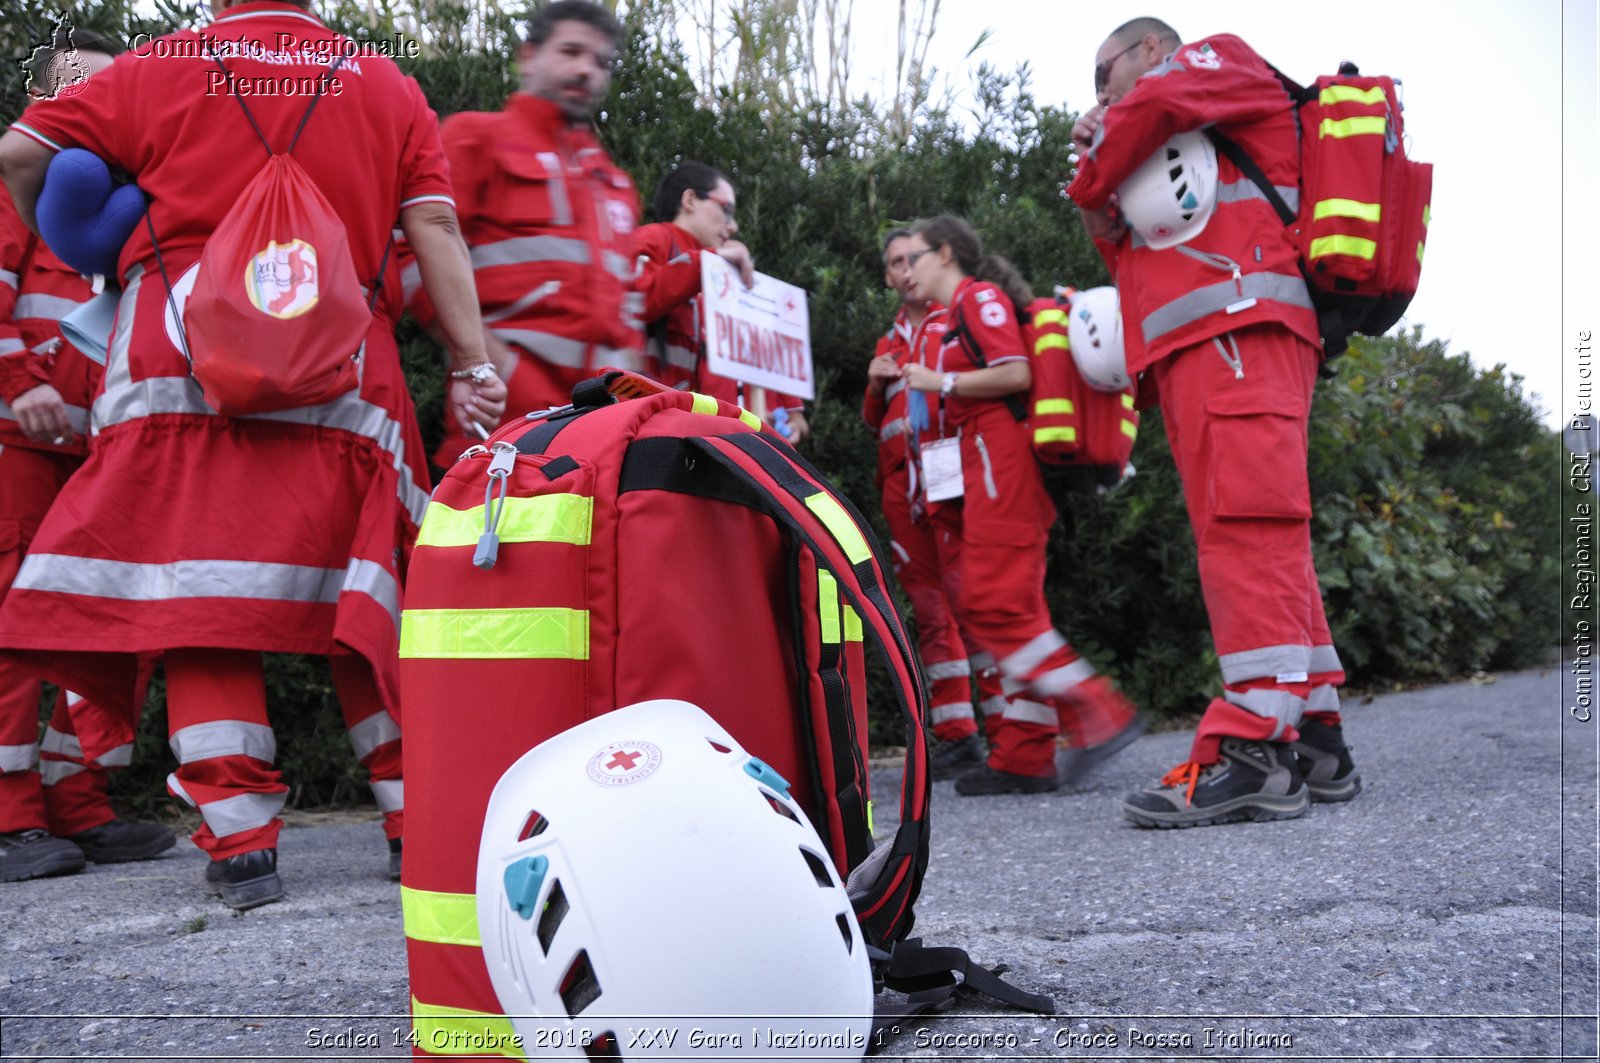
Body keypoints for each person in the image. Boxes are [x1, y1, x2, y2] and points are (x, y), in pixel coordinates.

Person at [0, 0, 505, 908]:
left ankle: (240, 840)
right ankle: (412, 820)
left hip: (176, 364)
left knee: (200, 593)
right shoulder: (383, 79)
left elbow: (21, 156)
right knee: (367, 590)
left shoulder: (155, 65)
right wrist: (470, 364)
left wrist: (92, 248)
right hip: (341, 366)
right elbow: (435, 231)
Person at [1066, 17, 1359, 828]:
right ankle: (1315, 733)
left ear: (1152, 51)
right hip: (1211, 342)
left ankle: (1253, 748)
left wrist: (1095, 158)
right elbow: (1128, 260)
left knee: (1247, 527)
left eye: (1105, 73)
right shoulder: (1164, 129)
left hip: (1236, 331)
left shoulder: (1206, 63)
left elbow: (1140, 124)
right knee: (1269, 530)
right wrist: (1100, 194)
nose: (1100, 94)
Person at [0, 31, 176, 883]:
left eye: (108, 91)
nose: (91, 107)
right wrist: (15, 381)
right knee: (15, 629)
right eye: (75, 89)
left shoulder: (126, 192)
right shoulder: (15, 181)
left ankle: (81, 806)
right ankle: (11, 818)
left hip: (100, 443)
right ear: (41, 99)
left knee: (102, 625)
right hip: (19, 442)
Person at [899, 216, 1141, 796]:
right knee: (1012, 607)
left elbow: (1014, 372)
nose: (908, 270)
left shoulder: (977, 298)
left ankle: (1102, 712)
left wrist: (941, 383)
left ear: (947, 252)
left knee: (991, 600)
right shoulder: (963, 306)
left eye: (916, 257)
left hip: (1001, 463)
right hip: (991, 462)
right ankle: (1026, 755)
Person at [411, 0, 644, 466]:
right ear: (527, 56)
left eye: (600, 62)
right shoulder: (476, 139)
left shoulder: (614, 182)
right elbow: (414, 264)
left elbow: (630, 310)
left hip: (601, 436)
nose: (586, 70)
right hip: (502, 426)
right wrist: (492, 365)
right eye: (571, 51)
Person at [864, 228, 1002, 778]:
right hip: (903, 489)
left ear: (932, 260)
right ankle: (958, 735)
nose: (903, 270)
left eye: (910, 258)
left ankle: (1009, 730)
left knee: (977, 600)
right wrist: (874, 386)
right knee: (929, 611)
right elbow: (874, 421)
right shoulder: (889, 339)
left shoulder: (960, 317)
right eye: (893, 263)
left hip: (955, 479)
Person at [631, 161, 809, 442]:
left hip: (682, 429)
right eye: (726, 210)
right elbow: (630, 301)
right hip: (644, 422)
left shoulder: (714, 274)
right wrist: (705, 262)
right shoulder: (652, 239)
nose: (733, 225)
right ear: (690, 200)